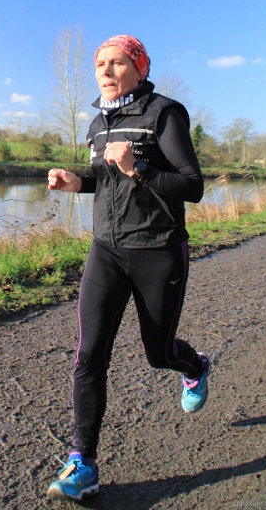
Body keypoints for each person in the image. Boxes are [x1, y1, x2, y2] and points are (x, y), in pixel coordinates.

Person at [46, 34, 207, 503]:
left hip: (159, 250)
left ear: (140, 68)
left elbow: (192, 186)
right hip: (107, 251)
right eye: (100, 63)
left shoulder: (164, 113)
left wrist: (139, 168)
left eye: (117, 62)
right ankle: (83, 462)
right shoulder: (98, 123)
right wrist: (79, 183)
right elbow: (108, 181)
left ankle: (194, 365)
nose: (106, 70)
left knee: (159, 352)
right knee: (89, 353)